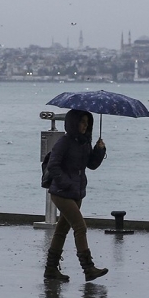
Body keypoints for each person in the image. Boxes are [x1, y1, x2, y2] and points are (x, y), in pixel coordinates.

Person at [43, 109, 108, 282]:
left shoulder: (84, 142)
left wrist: (99, 150)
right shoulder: (64, 142)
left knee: (61, 231)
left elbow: (91, 165)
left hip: (76, 193)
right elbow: (53, 166)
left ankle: (51, 270)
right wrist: (65, 183)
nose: (85, 126)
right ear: (73, 123)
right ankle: (88, 268)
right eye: (82, 122)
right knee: (80, 227)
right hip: (61, 192)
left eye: (87, 123)